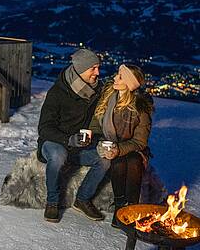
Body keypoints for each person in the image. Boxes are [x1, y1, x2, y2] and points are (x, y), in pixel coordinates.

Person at [37, 49, 111, 223]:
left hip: (79, 146)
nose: (98, 73)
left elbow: (96, 121)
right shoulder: (57, 92)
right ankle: (52, 202)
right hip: (54, 142)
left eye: (98, 67)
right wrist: (68, 139)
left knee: (104, 159)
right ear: (80, 69)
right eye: (93, 68)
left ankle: (82, 199)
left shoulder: (96, 91)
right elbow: (44, 128)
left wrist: (97, 138)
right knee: (58, 155)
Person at [93, 63, 154, 228]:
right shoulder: (108, 98)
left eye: (120, 77)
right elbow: (96, 125)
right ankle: (120, 207)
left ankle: (131, 208)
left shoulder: (141, 108)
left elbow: (140, 142)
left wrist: (118, 149)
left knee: (133, 161)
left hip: (132, 148)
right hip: (109, 145)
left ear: (129, 83)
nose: (114, 78)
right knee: (118, 163)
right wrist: (99, 143)